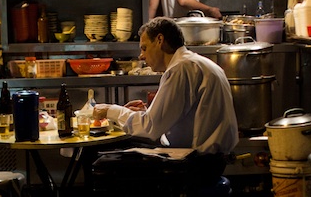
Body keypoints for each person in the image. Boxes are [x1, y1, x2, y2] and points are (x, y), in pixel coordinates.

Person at [93, 17, 238, 190]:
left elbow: (150, 128)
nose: (141, 56)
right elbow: (181, 117)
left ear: (160, 40)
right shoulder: (198, 63)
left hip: (197, 164)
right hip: (214, 160)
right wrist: (147, 112)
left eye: (144, 48)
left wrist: (111, 110)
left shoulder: (180, 69)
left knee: (102, 163)